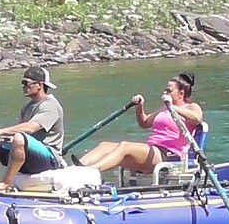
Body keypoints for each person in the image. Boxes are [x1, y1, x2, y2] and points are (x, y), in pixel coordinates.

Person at [75, 72, 203, 173]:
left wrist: (172, 106)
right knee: (105, 145)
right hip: (152, 149)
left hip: (169, 154)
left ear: (181, 93)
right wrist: (140, 106)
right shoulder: (164, 108)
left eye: (169, 91)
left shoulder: (191, 107)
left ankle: (90, 173)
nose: (165, 93)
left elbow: (197, 118)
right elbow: (145, 123)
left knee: (125, 146)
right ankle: (77, 169)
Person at [0, 66, 65, 192]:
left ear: (40, 85)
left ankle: (5, 183)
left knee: (19, 138)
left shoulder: (50, 106)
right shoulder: (28, 107)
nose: (23, 86)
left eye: (26, 83)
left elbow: (31, 128)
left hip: (49, 158)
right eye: (22, 83)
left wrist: (1, 131)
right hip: (29, 153)